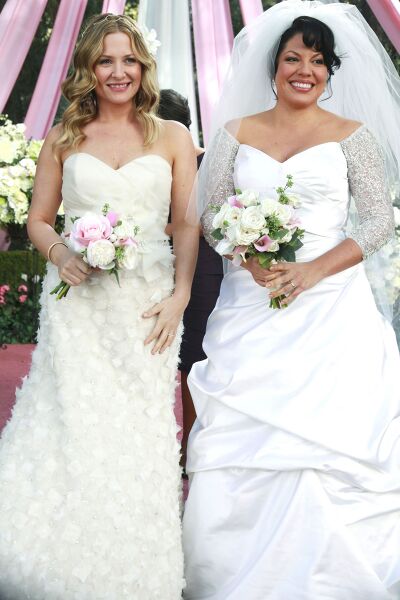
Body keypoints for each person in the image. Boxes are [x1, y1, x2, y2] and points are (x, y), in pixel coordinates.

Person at [183, 2, 400, 598]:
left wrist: (311, 272)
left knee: (329, 441)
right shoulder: (234, 134)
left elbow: (379, 221)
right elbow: (212, 213)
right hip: (249, 307)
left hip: (332, 313)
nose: (305, 70)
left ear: (331, 72)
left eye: (318, 61)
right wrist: (252, 260)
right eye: (293, 58)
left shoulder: (352, 136)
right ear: (273, 66)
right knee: (241, 438)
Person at [0, 13, 197, 600]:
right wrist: (61, 253)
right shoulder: (65, 136)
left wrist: (181, 296)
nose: (118, 71)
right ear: (89, 67)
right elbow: (39, 220)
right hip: (77, 307)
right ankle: (50, 557)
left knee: (138, 430)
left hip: (147, 309)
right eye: (106, 60)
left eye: (129, 60)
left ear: (143, 67)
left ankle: (134, 571)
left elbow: (187, 224)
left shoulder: (172, 137)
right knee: (71, 423)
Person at [157, 89, 223, 475]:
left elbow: (204, 223)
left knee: (194, 358)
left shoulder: (207, 162)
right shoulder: (150, 160)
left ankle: (191, 448)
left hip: (202, 270)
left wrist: (152, 228)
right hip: (152, 266)